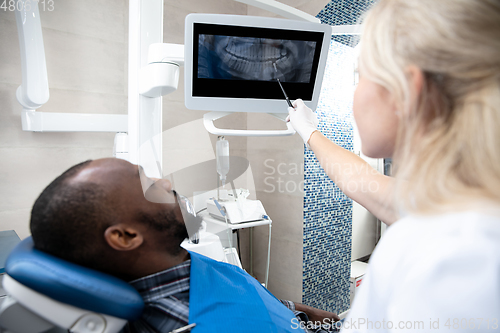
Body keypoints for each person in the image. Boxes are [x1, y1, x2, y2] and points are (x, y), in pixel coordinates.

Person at [288, 0, 500, 331]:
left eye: (362, 75)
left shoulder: (441, 258)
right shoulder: (462, 204)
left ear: (406, 91)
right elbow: (365, 183)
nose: (356, 92)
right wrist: (310, 131)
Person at [29, 158, 340, 333]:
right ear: (125, 237)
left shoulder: (182, 264)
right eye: (150, 185)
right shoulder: (196, 324)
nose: (166, 183)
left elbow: (252, 296)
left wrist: (328, 320)